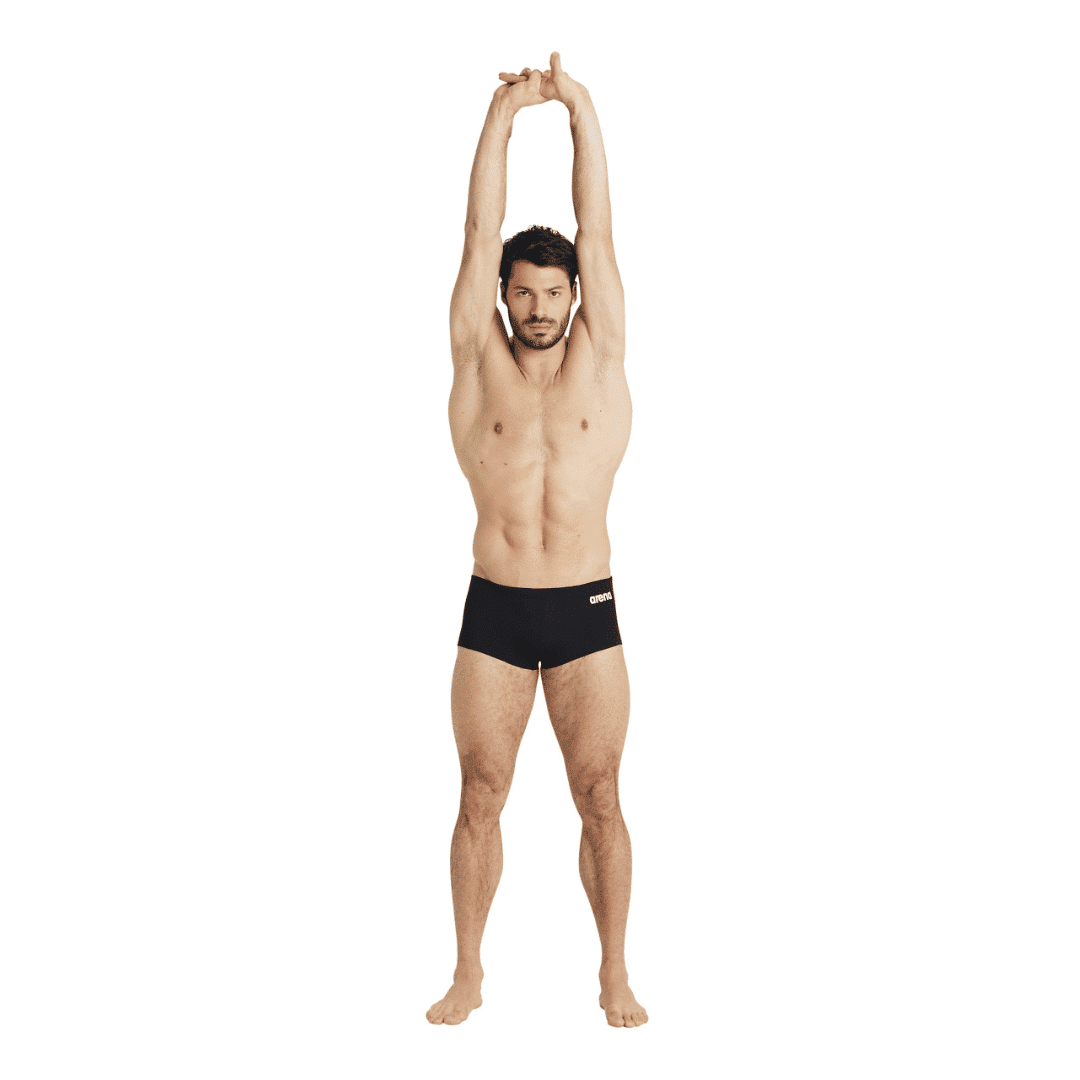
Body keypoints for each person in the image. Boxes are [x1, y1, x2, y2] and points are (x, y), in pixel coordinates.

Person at [427, 54, 647, 1029]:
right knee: (480, 794)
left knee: (601, 794)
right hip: (497, 610)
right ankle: (468, 971)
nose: (541, 308)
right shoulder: (478, 363)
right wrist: (507, 114)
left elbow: (599, 229)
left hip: (586, 610)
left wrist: (580, 107)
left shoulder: (603, 356)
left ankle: (614, 974)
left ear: (574, 296)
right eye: (524, 293)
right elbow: (477, 234)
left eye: (555, 293)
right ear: (505, 297)